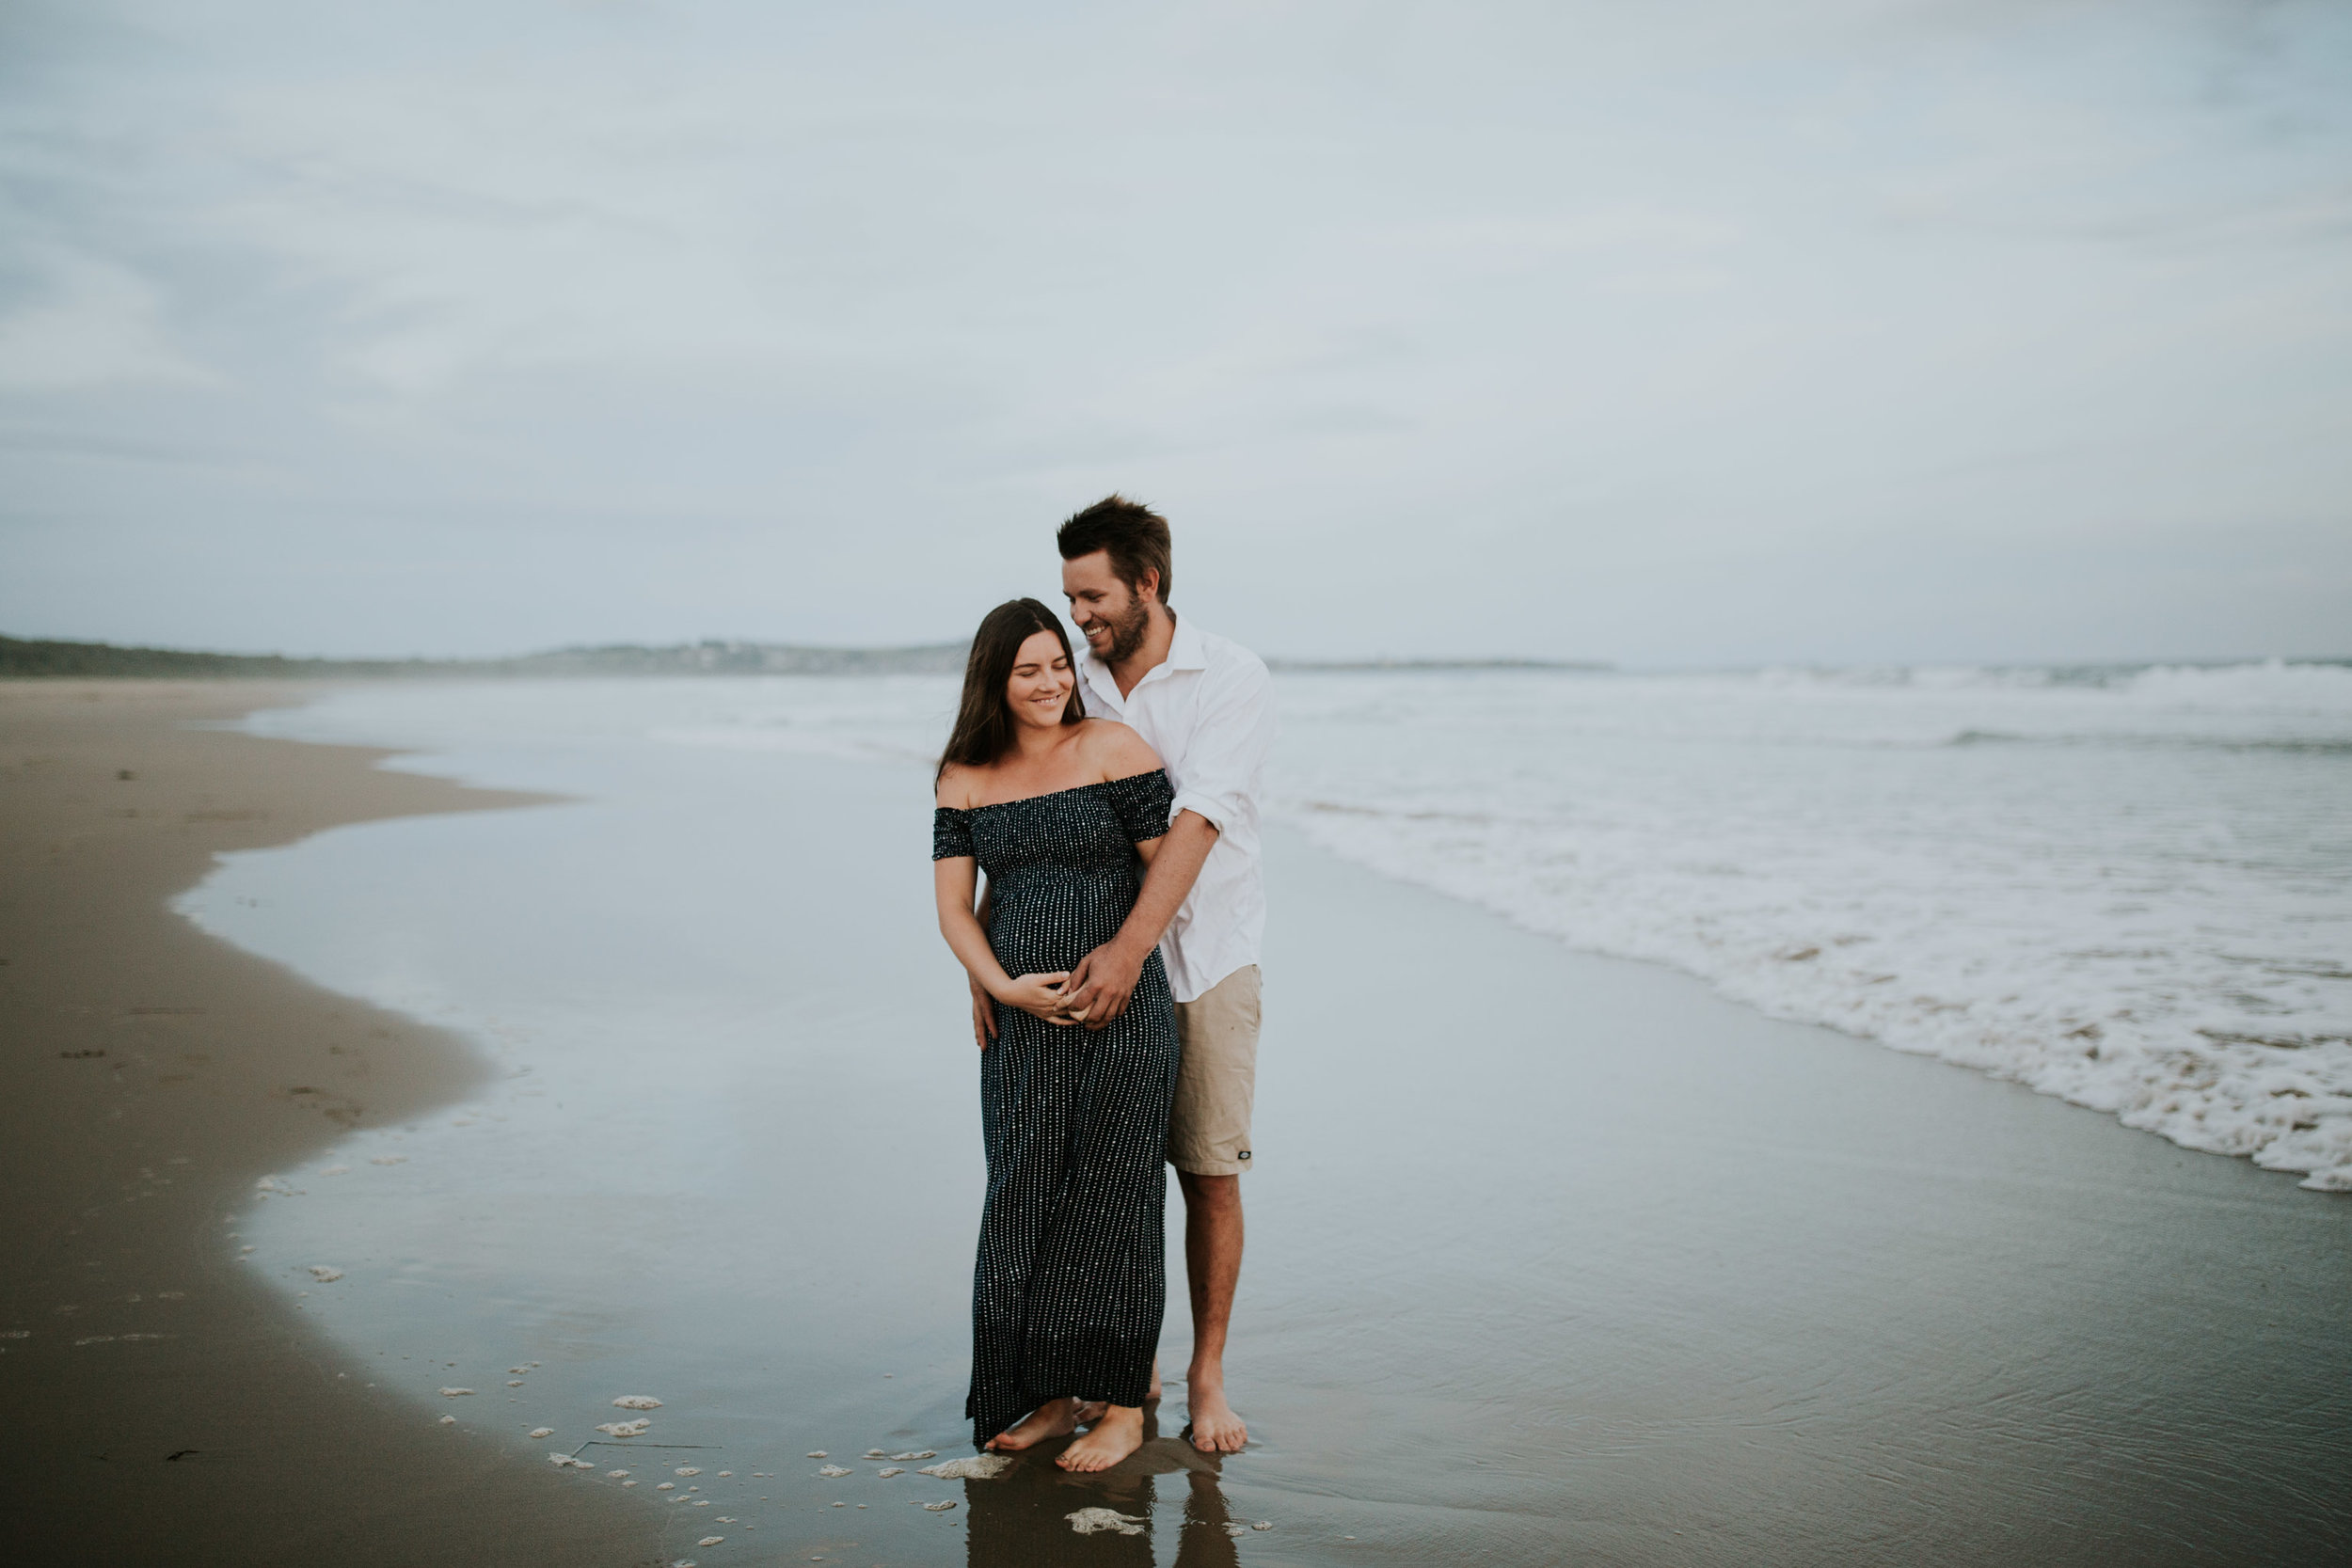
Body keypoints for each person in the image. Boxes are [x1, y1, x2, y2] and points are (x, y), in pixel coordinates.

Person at [968, 495, 1275, 1454]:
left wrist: (1135, 946)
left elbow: (1198, 818)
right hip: (1084, 974)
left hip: (1206, 955)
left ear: (1147, 581)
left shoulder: (1228, 675)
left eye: (1092, 595)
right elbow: (1026, 814)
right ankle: (1108, 1372)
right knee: (1089, 1170)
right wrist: (984, 957)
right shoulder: (1076, 680)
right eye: (1070, 596)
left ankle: (1204, 1373)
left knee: (1206, 1169)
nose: (1080, 615)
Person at [931, 596, 1182, 1473]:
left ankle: (1120, 1408)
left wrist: (1122, 960)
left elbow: (1172, 878)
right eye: (1027, 669)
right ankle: (1037, 1395)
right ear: (994, 680)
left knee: (1115, 1199)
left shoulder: (1115, 749)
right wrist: (999, 984)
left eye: (1059, 664)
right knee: (1021, 1199)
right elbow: (954, 909)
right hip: (1022, 1027)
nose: (1050, 683)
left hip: (1123, 1013)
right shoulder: (962, 775)